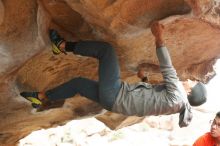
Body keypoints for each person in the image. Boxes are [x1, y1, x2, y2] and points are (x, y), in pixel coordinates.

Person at [20, 21, 207, 127]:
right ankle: (41, 97)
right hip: (115, 103)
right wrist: (143, 79)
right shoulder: (177, 104)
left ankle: (61, 46)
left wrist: (158, 36)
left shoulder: (179, 95)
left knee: (106, 51)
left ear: (190, 92)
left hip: (115, 94)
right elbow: (151, 100)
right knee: (78, 84)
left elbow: (167, 66)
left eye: (191, 82)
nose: (187, 80)